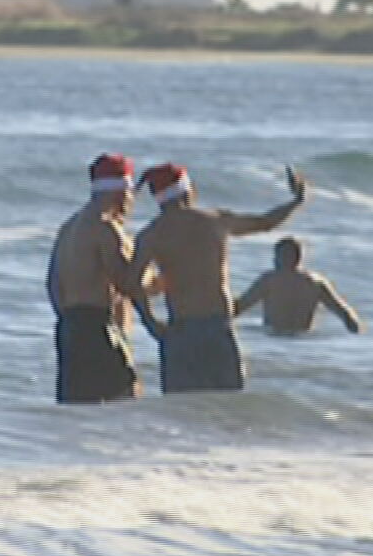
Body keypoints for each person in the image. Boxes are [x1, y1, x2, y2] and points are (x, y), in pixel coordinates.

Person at [125, 162, 306, 393]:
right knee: (227, 404)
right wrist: (296, 200)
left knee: (182, 408)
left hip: (180, 331)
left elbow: (132, 283)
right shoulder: (214, 221)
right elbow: (265, 222)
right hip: (217, 326)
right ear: (187, 191)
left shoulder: (151, 235)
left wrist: (151, 323)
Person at [46, 153, 151, 404]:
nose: (131, 203)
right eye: (130, 194)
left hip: (68, 328)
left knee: (78, 406)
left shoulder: (69, 226)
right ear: (120, 192)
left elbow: (52, 284)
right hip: (97, 327)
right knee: (126, 395)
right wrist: (154, 273)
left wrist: (70, 320)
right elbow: (126, 283)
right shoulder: (106, 227)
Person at [234, 236, 363, 336]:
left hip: (274, 339)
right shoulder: (316, 282)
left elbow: (239, 308)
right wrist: (358, 335)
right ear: (299, 257)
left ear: (279, 256)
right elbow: (345, 315)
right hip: (304, 341)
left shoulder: (269, 280)